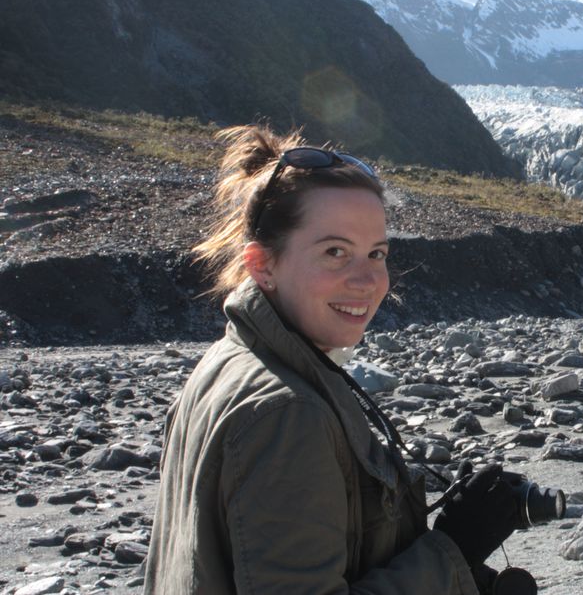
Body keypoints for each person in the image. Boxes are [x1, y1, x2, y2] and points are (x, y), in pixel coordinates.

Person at [144, 125, 517, 594]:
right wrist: (453, 552)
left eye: (376, 253)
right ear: (263, 265)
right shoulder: (286, 412)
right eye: (335, 252)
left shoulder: (229, 360)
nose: (367, 281)